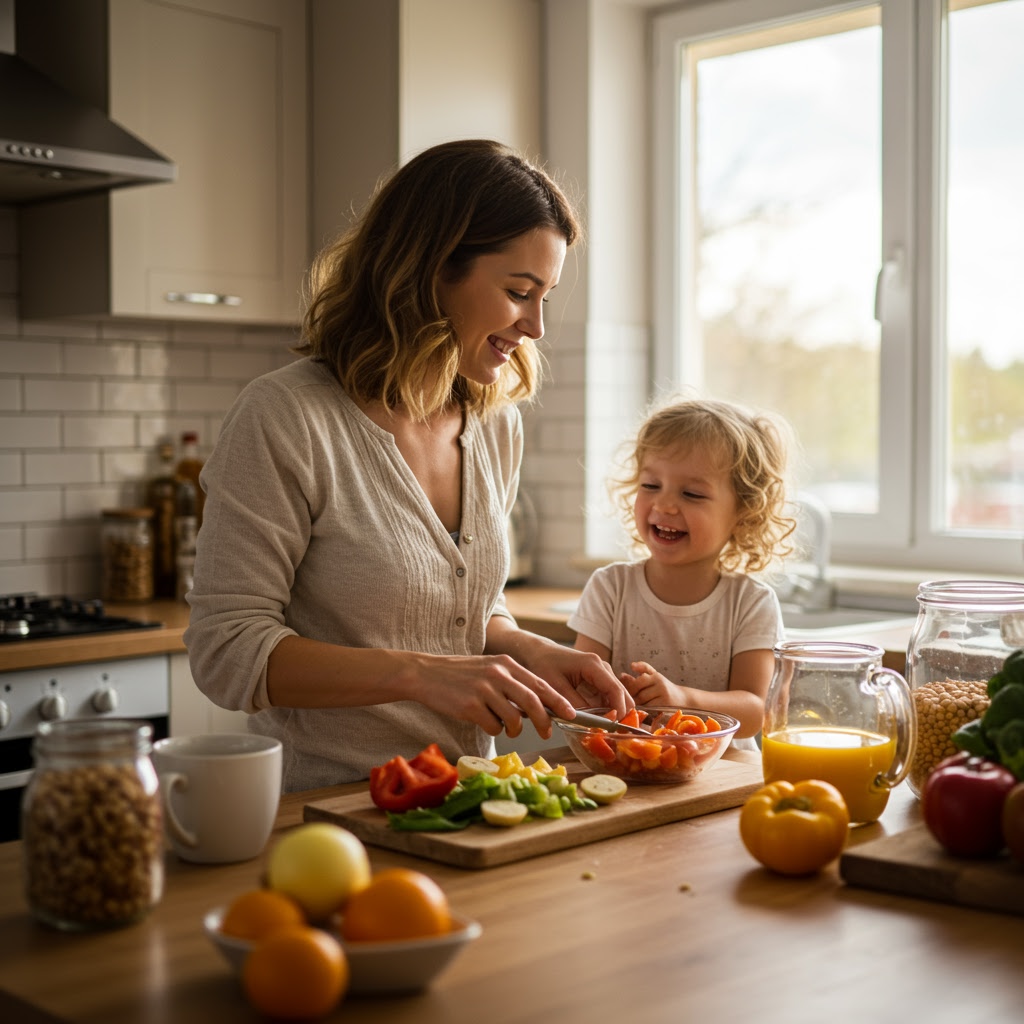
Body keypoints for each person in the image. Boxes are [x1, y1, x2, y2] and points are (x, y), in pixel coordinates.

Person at [184, 139, 632, 792]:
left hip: (467, 805)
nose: (536, 325)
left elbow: (463, 610)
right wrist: (419, 674)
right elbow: (226, 652)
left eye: (546, 296)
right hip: (328, 815)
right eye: (518, 291)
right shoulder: (288, 417)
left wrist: (525, 647)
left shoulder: (495, 421)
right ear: (431, 271)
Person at [568, 397, 796, 749]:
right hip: (627, 762)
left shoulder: (751, 602)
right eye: (650, 486)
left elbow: (756, 711)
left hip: (723, 775)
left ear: (744, 513)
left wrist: (682, 700)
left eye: (691, 493)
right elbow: (583, 688)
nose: (664, 505)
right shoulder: (609, 588)